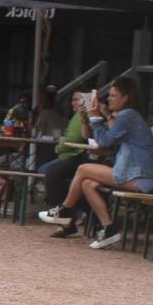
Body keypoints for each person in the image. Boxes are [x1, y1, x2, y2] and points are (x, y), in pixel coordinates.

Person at [40, 76, 153, 248]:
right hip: (135, 174)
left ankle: (65, 210)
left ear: (126, 97)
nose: (108, 98)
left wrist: (94, 118)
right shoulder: (129, 116)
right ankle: (109, 229)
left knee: (83, 168)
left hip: (138, 176)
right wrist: (98, 118)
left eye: (113, 95)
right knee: (87, 183)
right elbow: (110, 143)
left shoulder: (128, 116)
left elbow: (105, 141)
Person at [37, 90, 95, 237]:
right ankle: (68, 212)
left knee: (51, 171)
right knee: (48, 170)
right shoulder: (77, 116)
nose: (72, 102)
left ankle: (66, 214)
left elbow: (75, 140)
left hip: (78, 155)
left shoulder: (84, 115)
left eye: (76, 99)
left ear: (85, 101)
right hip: (73, 154)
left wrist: (59, 147)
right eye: (72, 99)